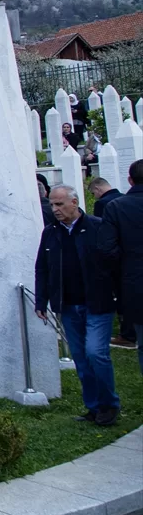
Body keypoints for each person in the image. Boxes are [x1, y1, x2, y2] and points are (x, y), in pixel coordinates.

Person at [35, 183, 117, 426]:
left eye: (60, 204)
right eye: (52, 204)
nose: (55, 209)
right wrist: (42, 299)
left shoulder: (97, 227)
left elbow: (112, 262)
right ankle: (93, 406)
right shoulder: (50, 232)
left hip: (97, 303)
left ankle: (109, 404)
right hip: (68, 305)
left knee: (96, 353)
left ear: (74, 202)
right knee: (81, 358)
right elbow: (42, 268)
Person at [96, 159, 143, 376]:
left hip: (135, 280)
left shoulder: (117, 206)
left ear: (130, 180)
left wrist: (125, 264)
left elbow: (106, 249)